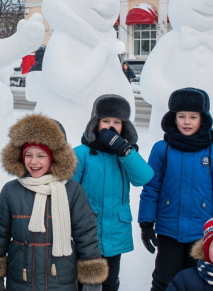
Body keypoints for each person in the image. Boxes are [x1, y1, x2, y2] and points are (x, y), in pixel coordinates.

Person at [0, 114, 108, 291]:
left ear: (54, 157)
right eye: (28, 154)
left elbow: (86, 236)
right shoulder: (11, 191)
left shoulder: (72, 190)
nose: (33, 161)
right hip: (21, 280)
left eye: (41, 155)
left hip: (61, 280)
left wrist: (92, 280)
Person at [138, 87, 213, 291]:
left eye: (193, 116)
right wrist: (146, 223)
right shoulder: (161, 149)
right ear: (173, 118)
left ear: (203, 119)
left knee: (198, 281)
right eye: (181, 116)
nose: (187, 122)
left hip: (203, 231)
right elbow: (151, 188)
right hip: (168, 229)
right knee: (165, 279)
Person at [73, 94, 154, 290]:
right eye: (105, 121)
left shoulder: (126, 154)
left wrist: (123, 150)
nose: (110, 126)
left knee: (110, 282)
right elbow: (70, 191)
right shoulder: (83, 153)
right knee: (83, 282)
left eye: (116, 122)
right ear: (95, 123)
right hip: (86, 232)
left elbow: (143, 177)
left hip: (115, 232)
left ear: (124, 126)